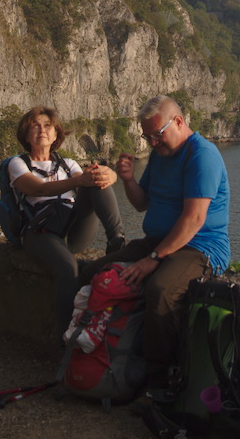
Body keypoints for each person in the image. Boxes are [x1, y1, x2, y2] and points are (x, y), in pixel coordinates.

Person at [80, 94, 230, 391]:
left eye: (156, 135)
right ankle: (98, 358)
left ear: (178, 121)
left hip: (200, 247)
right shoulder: (162, 155)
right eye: (146, 136)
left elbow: (193, 220)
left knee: (160, 290)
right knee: (93, 271)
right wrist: (128, 180)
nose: (152, 143)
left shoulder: (202, 155)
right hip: (158, 241)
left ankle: (160, 381)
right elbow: (142, 203)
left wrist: (154, 258)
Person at [9, 106, 127, 333]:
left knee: (95, 180)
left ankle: (116, 241)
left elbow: (95, 181)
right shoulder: (18, 164)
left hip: (72, 231)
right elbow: (39, 189)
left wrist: (108, 175)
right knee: (68, 268)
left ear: (56, 135)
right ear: (26, 135)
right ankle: (67, 335)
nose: (41, 130)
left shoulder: (68, 164)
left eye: (47, 125)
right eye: (35, 125)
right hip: (40, 234)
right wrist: (79, 181)